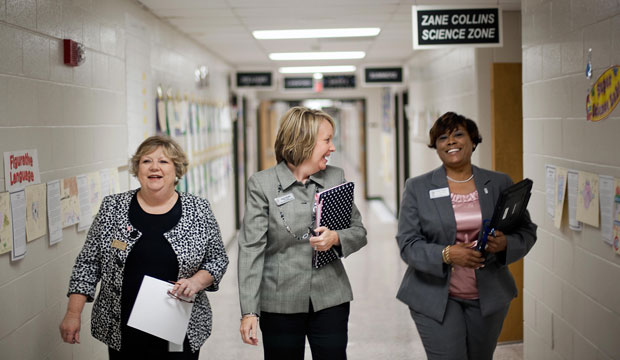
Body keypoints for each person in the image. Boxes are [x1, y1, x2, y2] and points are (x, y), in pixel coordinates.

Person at [59, 135, 229, 359]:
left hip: (178, 329)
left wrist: (196, 282)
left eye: (164, 161)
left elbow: (217, 259)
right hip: (123, 329)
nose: (154, 167)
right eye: (146, 161)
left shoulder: (198, 209)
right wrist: (73, 313)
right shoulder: (113, 207)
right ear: (137, 168)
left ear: (176, 169)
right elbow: (88, 262)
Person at [395, 112, 537, 360]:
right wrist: (446, 254)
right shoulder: (417, 187)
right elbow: (408, 244)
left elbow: (527, 231)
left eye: (458, 134)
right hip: (434, 296)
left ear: (473, 141)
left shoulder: (498, 183)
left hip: (488, 296)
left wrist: (505, 244)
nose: (451, 141)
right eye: (442, 138)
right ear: (436, 147)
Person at [238, 106, 367, 360]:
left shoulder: (335, 178)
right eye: (327, 140)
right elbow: (251, 249)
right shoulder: (262, 184)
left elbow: (359, 231)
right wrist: (249, 311)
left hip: (330, 297)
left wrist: (336, 238)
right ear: (304, 142)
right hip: (279, 301)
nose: (332, 148)